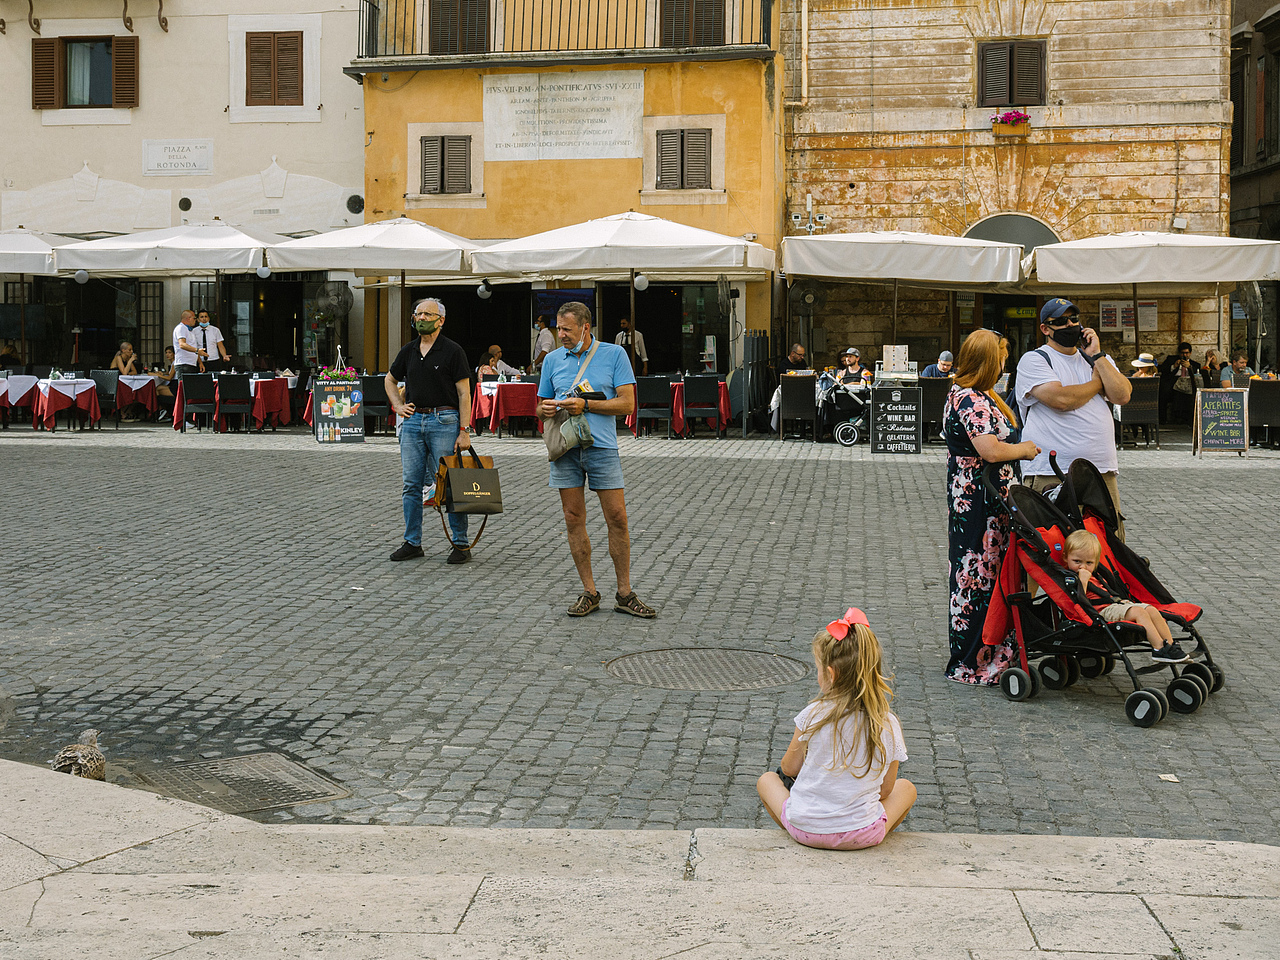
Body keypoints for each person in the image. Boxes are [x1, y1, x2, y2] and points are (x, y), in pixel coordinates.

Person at [756, 608, 916, 851]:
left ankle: (811, 832)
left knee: (767, 780)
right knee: (907, 789)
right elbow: (886, 790)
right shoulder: (887, 723)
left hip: (806, 829)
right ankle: (867, 833)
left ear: (830, 674)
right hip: (863, 833)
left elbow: (789, 768)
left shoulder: (813, 714)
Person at [537, 301, 655, 619]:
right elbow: (538, 406)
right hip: (565, 448)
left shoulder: (614, 355)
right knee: (573, 517)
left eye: (567, 329)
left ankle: (625, 592)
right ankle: (589, 591)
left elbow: (628, 404)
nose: (560, 334)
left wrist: (585, 406)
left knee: (617, 517)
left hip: (601, 447)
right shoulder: (551, 360)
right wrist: (545, 409)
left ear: (585, 327)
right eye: (557, 328)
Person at [944, 329, 1040, 684]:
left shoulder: (977, 395)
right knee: (979, 575)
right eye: (1002, 356)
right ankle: (975, 660)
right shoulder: (971, 399)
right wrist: (1025, 449)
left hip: (987, 497)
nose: (1005, 363)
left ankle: (994, 651)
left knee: (990, 572)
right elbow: (990, 449)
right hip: (980, 499)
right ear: (989, 360)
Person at [1015, 298, 1132, 539]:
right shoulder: (1035, 359)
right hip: (1051, 471)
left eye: (1074, 319)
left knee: (1108, 550)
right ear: (1045, 329)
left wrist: (1098, 356)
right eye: (1060, 321)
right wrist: (1097, 383)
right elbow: (1061, 400)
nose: (1070, 325)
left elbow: (1122, 394)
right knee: (1053, 546)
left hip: (1101, 471)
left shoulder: (1098, 360)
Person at [385, 298, 474, 565]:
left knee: (451, 484)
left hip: (444, 420)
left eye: (427, 314)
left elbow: (464, 392)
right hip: (413, 422)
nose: (421, 318)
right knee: (411, 484)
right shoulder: (409, 350)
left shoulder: (452, 350)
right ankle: (412, 542)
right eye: (418, 314)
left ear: (441, 320)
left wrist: (465, 430)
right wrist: (398, 405)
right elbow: (390, 379)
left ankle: (460, 543)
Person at [1063, 530, 1192, 664]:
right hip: (1100, 611)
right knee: (1139, 612)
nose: (1083, 566)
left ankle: (1170, 646)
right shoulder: (1071, 578)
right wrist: (1083, 582)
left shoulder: (1095, 574)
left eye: (1089, 563)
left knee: (1151, 609)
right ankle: (1159, 648)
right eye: (1077, 561)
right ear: (1066, 558)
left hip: (1114, 605)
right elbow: (1079, 601)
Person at [1158, 342, 1200, 424]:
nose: (1185, 355)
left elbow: (1196, 375)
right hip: (1173, 383)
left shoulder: (1195, 364)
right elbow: (1162, 369)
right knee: (1164, 392)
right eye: (1182, 353)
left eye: (1187, 353)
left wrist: (1190, 367)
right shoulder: (1171, 359)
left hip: (1188, 384)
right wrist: (1173, 366)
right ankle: (1163, 419)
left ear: (1190, 353)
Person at [173, 310, 202, 378]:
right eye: (194, 318)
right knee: (184, 387)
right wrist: (197, 351)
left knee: (190, 387)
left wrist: (200, 362)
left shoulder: (190, 330)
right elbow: (182, 344)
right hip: (184, 364)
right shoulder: (181, 328)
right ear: (188, 318)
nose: (196, 320)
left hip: (191, 363)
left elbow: (193, 347)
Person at [154, 345, 177, 421]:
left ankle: (162, 410)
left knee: (157, 389)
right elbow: (170, 373)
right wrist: (163, 374)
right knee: (158, 388)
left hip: (175, 386)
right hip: (173, 384)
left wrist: (158, 375)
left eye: (170, 352)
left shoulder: (175, 363)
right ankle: (163, 410)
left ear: (174, 353)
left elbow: (170, 378)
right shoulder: (173, 363)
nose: (167, 354)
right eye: (166, 352)